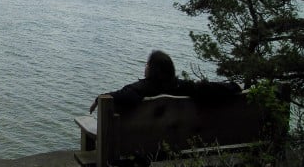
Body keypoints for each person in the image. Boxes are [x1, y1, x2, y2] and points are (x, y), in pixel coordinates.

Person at [89, 50, 241, 114]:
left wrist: (99, 98)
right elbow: (208, 88)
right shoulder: (184, 87)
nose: (146, 67)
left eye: (148, 64)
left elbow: (126, 96)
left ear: (152, 70)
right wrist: (233, 87)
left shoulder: (140, 89)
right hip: (177, 143)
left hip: (140, 145)